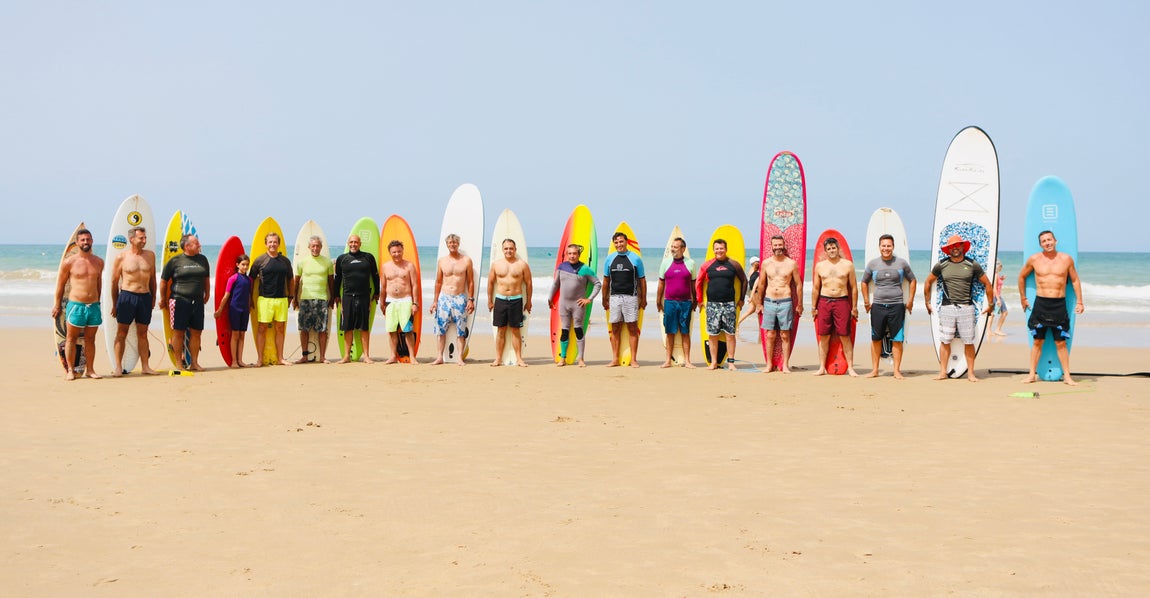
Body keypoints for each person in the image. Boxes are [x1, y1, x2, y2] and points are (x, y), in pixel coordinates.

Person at [923, 234, 994, 382]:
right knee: (945, 340)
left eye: (957, 245)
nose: (954, 248)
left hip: (966, 308)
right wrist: (927, 302)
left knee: (968, 341)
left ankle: (971, 374)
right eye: (951, 246)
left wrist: (991, 304)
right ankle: (943, 372)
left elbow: (987, 284)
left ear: (963, 247)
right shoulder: (942, 265)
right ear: (948, 250)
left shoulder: (972, 264)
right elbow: (928, 281)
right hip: (947, 307)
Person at [1018, 230, 1085, 385]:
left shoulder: (1066, 260)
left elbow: (1075, 281)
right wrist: (1023, 298)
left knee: (1061, 342)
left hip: (1059, 305)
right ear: (1040, 244)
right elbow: (1021, 277)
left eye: (1049, 240)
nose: (1047, 243)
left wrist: (1080, 301)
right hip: (1041, 304)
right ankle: (1031, 375)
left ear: (1055, 241)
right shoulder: (1034, 259)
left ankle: (1067, 376)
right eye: (1043, 241)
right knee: (1037, 341)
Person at [859, 234, 916, 379]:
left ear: (893, 247)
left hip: (897, 305)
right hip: (878, 306)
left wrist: (910, 300)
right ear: (879, 247)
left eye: (889, 246)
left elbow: (913, 280)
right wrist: (866, 301)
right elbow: (864, 282)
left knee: (897, 339)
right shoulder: (872, 264)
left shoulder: (901, 263)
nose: (886, 248)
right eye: (883, 246)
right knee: (876, 338)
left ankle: (897, 371)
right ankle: (875, 370)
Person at [51, 228, 104, 381]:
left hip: (93, 306)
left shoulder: (99, 262)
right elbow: (60, 285)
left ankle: (91, 370)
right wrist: (57, 305)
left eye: (88, 239)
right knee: (71, 339)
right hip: (76, 306)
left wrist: (98, 302)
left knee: (90, 340)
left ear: (92, 241)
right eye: (82, 240)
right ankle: (70, 370)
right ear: (77, 243)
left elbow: (98, 283)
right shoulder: (69, 262)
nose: (85, 242)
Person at [750, 235, 804, 373]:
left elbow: (798, 285)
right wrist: (759, 303)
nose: (778, 247)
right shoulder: (766, 263)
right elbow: (761, 284)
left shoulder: (791, 264)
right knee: (770, 334)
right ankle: (769, 364)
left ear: (784, 245)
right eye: (775, 245)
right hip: (769, 301)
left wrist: (800, 304)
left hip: (785, 301)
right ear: (772, 246)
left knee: (785, 335)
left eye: (780, 245)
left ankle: (785, 365)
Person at [109, 225, 159, 376]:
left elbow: (153, 280)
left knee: (143, 333)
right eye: (141, 238)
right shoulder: (122, 257)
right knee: (121, 332)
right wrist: (115, 303)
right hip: (127, 296)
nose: (144, 240)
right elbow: (114, 282)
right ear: (132, 239)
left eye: (145, 238)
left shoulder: (150, 256)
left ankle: (145, 366)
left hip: (145, 297)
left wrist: (153, 298)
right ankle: (118, 367)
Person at [159, 234, 210, 371]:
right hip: (179, 300)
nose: (199, 245)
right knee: (178, 332)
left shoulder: (203, 259)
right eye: (196, 243)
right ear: (187, 246)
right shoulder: (175, 261)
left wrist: (208, 294)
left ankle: (194, 363)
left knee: (196, 332)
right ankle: (179, 364)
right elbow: (164, 281)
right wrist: (163, 298)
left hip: (198, 301)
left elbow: (206, 278)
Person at [695, 239, 748, 371]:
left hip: (729, 304)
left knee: (730, 334)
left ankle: (731, 362)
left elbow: (744, 280)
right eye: (717, 248)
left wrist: (741, 299)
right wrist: (699, 299)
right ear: (713, 250)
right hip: (712, 305)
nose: (719, 251)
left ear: (726, 249)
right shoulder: (707, 265)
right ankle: (713, 362)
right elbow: (698, 282)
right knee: (713, 334)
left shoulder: (733, 264)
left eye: (721, 248)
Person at [548, 243, 602, 367]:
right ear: (567, 254)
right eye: (569, 253)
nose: (572, 256)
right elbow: (556, 284)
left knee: (578, 330)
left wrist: (589, 299)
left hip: (578, 305)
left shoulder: (585, 269)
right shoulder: (561, 267)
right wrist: (550, 298)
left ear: (578, 254)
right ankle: (563, 358)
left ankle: (581, 359)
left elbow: (598, 284)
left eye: (574, 253)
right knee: (565, 331)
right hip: (564, 304)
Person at [812, 236, 859, 376]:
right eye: (828, 249)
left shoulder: (847, 265)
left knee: (845, 336)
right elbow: (815, 288)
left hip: (842, 301)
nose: (831, 250)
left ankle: (850, 367)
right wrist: (813, 307)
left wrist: (854, 307)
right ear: (825, 251)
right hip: (824, 301)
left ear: (838, 249)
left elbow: (854, 287)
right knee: (824, 336)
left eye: (833, 248)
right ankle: (822, 367)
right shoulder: (820, 266)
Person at [430, 234, 476, 365]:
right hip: (444, 297)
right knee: (441, 329)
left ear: (458, 244)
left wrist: (471, 299)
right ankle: (439, 357)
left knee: (461, 330)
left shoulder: (466, 260)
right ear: (447, 244)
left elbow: (470, 282)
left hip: (460, 297)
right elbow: (438, 282)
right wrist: (435, 301)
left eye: (455, 242)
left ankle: (459, 358)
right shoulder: (442, 261)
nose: (452, 244)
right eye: (450, 242)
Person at [333, 234, 380, 363]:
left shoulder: (368, 257)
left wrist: (377, 293)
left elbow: (375, 276)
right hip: (347, 296)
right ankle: (346, 356)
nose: (353, 244)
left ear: (360, 244)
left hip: (364, 296)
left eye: (356, 242)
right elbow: (338, 279)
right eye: (351, 242)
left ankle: (366, 356)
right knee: (347, 326)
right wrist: (336, 295)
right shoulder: (342, 259)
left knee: (363, 327)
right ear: (348, 243)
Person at [602, 231, 646, 367]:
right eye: (616, 242)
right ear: (613, 244)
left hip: (631, 298)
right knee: (615, 328)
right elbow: (605, 280)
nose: (619, 244)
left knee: (632, 328)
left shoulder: (635, 259)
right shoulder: (609, 259)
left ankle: (633, 359)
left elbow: (642, 280)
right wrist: (604, 298)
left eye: (621, 241)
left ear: (626, 242)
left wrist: (643, 298)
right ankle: (615, 358)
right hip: (614, 297)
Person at [250, 232, 294, 366]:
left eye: (275, 242)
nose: (272, 244)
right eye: (270, 242)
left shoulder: (285, 261)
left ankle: (280, 358)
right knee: (262, 328)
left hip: (281, 299)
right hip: (265, 299)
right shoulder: (259, 260)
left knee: (280, 328)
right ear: (266, 244)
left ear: (278, 244)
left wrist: (290, 296)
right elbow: (251, 280)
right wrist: (249, 298)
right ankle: (260, 359)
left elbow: (291, 280)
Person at [487, 238, 532, 366]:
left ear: (515, 249)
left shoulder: (522, 265)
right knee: (500, 330)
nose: (508, 251)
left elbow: (528, 284)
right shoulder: (496, 265)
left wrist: (529, 302)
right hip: (500, 300)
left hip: (516, 300)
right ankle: (498, 358)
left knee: (515, 330)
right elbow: (490, 283)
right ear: (502, 250)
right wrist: (490, 300)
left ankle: (519, 359)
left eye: (511, 248)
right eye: (506, 248)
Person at [292, 235, 335, 364]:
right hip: (305, 299)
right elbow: (296, 281)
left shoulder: (327, 262)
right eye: (313, 246)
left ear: (321, 247)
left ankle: (322, 356)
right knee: (304, 329)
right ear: (309, 247)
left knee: (322, 329)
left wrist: (332, 298)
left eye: (318, 246)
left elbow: (331, 282)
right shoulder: (302, 262)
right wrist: (295, 298)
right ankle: (304, 356)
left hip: (322, 299)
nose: (315, 248)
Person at [657, 236, 697, 368]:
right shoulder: (665, 263)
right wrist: (658, 301)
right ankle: (668, 360)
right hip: (670, 302)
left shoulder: (691, 263)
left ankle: (688, 361)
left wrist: (695, 300)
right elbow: (661, 283)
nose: (673, 249)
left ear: (683, 249)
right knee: (670, 332)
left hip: (686, 302)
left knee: (685, 332)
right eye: (672, 247)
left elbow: (693, 285)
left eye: (675, 247)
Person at [381, 240, 420, 364]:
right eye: (394, 252)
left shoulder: (409, 266)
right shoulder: (385, 267)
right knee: (391, 330)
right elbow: (383, 286)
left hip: (406, 300)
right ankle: (393, 356)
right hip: (390, 301)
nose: (396, 254)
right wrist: (382, 302)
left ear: (402, 251)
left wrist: (415, 303)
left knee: (407, 330)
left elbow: (415, 285)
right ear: (390, 253)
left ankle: (412, 356)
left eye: (399, 251)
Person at [213, 253, 254, 368]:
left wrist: (250, 306)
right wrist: (220, 310)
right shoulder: (233, 278)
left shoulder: (249, 280)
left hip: (244, 310)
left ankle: (240, 360)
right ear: (237, 265)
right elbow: (226, 296)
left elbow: (249, 295)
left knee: (242, 334)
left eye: (247, 265)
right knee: (235, 334)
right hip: (235, 308)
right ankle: (234, 361)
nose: (245, 267)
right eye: (243, 264)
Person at [992, 261, 1008, 336]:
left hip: (997, 296)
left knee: (993, 314)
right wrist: (998, 299)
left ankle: (994, 330)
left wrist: (1001, 279)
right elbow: (994, 288)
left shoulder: (997, 275)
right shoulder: (995, 275)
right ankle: (997, 330)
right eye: (1000, 266)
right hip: (997, 296)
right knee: (1004, 312)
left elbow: (997, 284)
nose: (1001, 268)